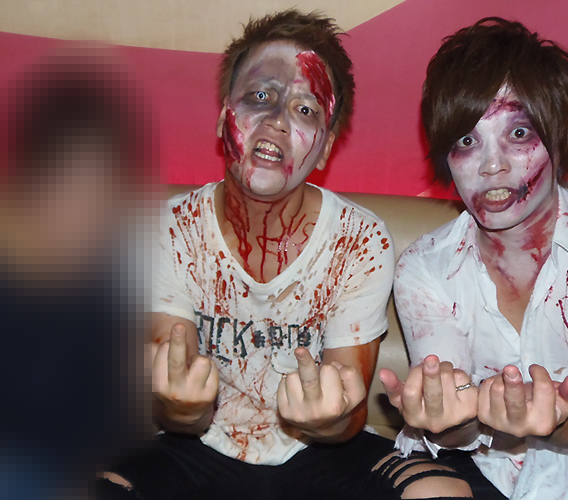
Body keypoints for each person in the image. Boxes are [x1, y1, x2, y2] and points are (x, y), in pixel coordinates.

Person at [374, 17, 568, 500]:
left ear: (562, 131)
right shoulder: (424, 266)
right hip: (473, 467)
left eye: (519, 132)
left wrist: (552, 419)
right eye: (467, 141)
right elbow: (456, 427)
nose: (492, 165)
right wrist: (445, 418)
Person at [99, 9, 396, 500]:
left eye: (305, 110)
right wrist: (184, 407)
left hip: (323, 453)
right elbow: (176, 401)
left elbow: (350, 416)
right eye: (260, 97)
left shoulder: (360, 239)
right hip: (199, 445)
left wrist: (329, 418)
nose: (278, 121)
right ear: (223, 116)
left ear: (325, 148)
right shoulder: (167, 229)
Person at [0, 48, 155, 498]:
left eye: (101, 186)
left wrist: (98, 464)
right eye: (68, 182)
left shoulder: (109, 281)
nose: (86, 205)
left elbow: (110, 415)